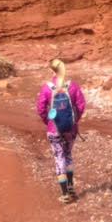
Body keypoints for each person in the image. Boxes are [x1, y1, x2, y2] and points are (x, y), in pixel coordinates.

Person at [36, 58, 86, 204]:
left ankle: (65, 195)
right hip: (71, 128)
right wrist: (74, 120)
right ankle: (71, 188)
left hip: (54, 129)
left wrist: (49, 122)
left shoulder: (47, 88)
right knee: (68, 155)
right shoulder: (73, 86)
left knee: (59, 157)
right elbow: (81, 106)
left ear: (52, 70)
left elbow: (40, 109)